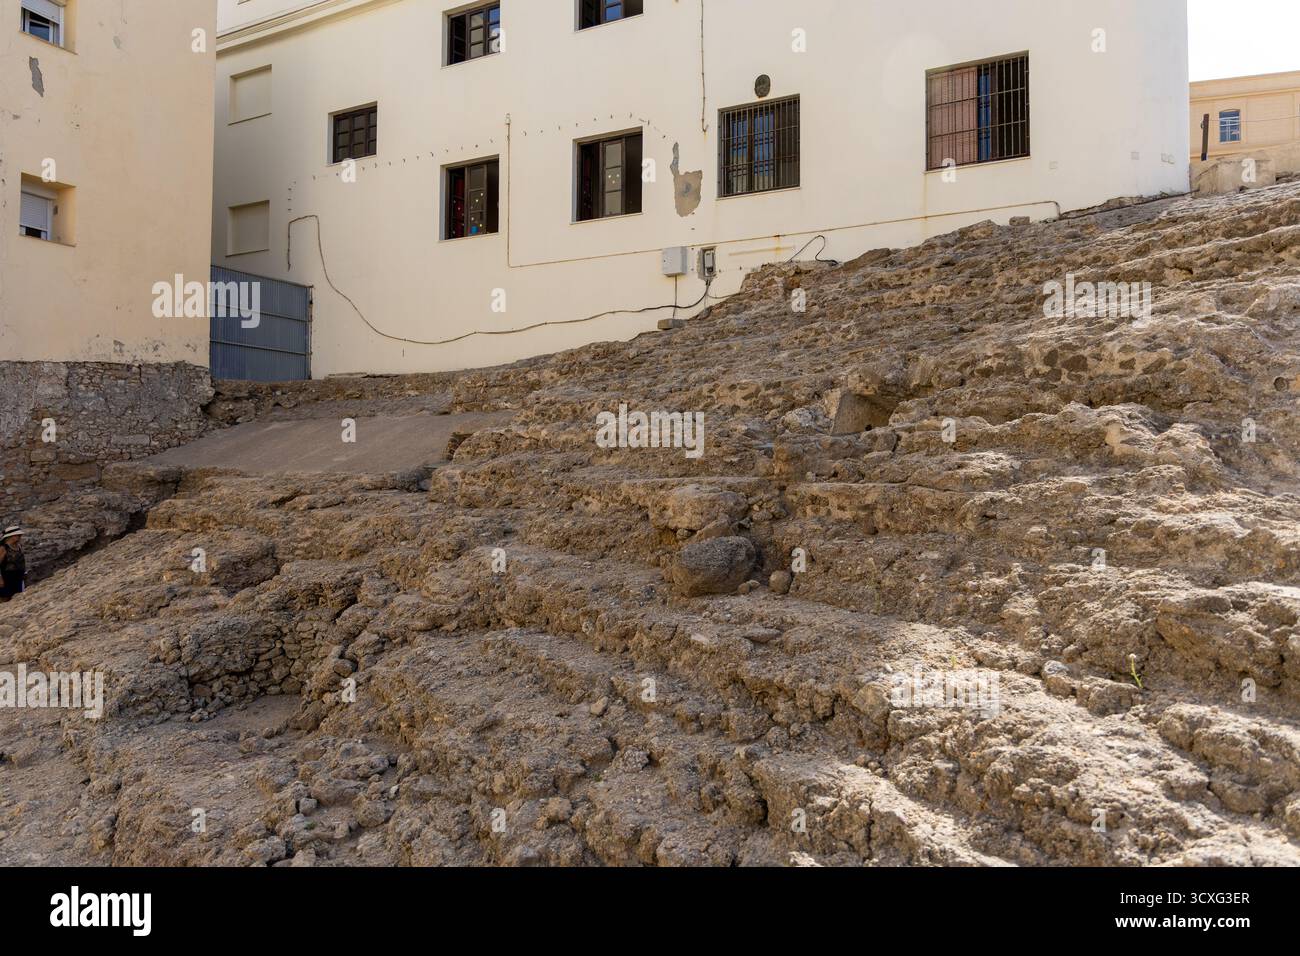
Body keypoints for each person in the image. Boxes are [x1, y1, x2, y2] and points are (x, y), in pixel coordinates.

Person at [0, 526, 26, 601]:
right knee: (6, 599)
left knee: (18, 599)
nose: (20, 537)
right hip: (7, 578)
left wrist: (25, 572)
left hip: (18, 577)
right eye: (18, 535)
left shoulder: (19, 546)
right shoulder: (3, 548)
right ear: (11, 536)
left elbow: (22, 560)